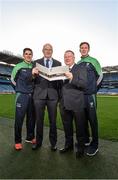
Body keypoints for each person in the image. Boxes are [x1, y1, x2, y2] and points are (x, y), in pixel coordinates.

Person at [32, 43, 61, 150]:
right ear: (42, 51)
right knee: (39, 120)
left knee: (53, 121)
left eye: (50, 49)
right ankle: (38, 142)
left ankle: (53, 143)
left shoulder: (58, 63)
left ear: (52, 51)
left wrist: (59, 95)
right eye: (46, 49)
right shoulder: (36, 62)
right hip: (39, 95)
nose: (48, 51)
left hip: (53, 96)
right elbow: (32, 80)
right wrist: (33, 74)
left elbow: (59, 82)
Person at [59, 50, 87, 158]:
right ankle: (68, 145)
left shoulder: (81, 68)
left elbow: (83, 84)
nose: (67, 58)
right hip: (64, 103)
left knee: (80, 128)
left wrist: (72, 78)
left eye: (69, 56)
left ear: (74, 57)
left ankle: (80, 148)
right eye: (65, 56)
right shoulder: (61, 70)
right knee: (67, 127)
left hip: (77, 103)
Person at [78, 42, 103, 156]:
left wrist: (93, 89)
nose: (83, 49)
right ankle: (86, 141)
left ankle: (95, 145)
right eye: (82, 48)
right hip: (80, 96)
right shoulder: (78, 63)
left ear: (88, 49)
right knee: (82, 120)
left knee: (92, 120)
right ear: (80, 50)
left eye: (85, 48)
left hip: (90, 95)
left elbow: (100, 76)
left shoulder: (93, 61)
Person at [11, 48, 38, 150]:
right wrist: (19, 89)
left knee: (31, 118)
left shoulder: (34, 67)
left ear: (32, 55)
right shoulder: (18, 66)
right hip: (22, 96)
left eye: (30, 54)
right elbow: (13, 80)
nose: (28, 55)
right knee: (19, 119)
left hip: (32, 96)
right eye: (26, 54)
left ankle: (30, 137)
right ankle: (17, 141)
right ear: (23, 55)